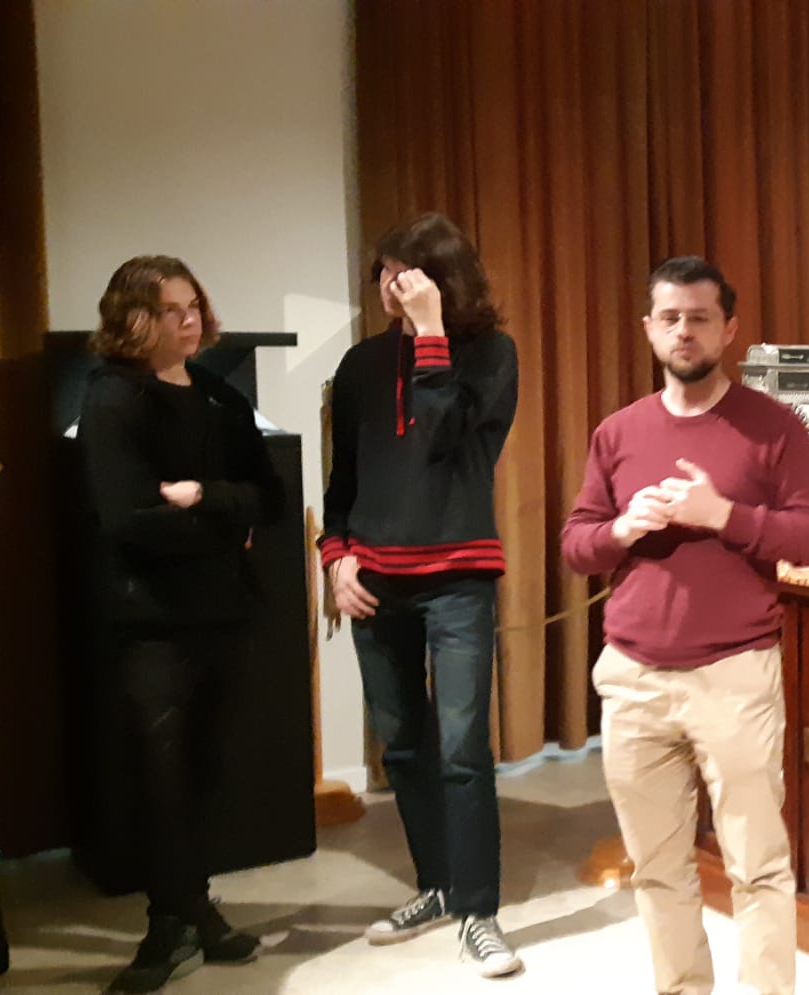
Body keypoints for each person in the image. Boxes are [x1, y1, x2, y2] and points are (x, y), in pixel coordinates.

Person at [561, 257, 809, 995]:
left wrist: (724, 515)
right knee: (656, 867)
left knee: (758, 866)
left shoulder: (775, 428)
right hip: (633, 678)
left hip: (735, 675)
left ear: (729, 329)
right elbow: (576, 544)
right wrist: (621, 528)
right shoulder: (617, 432)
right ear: (649, 329)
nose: (685, 331)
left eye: (701, 317)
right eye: (671, 317)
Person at [318, 213, 522, 977]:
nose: (390, 287)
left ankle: (479, 909)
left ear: (443, 279)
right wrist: (335, 555)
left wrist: (430, 331)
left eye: (407, 273)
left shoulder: (491, 354)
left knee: (463, 750)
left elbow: (444, 435)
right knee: (403, 745)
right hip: (373, 578)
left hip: (459, 578)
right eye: (384, 273)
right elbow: (345, 476)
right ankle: (437, 885)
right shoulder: (360, 364)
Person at [77, 255, 282, 992]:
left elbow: (269, 497)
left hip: (222, 613)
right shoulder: (112, 398)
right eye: (172, 309)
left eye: (194, 304)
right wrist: (225, 522)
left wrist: (206, 498)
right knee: (159, 780)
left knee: (202, 772)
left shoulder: (221, 397)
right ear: (135, 317)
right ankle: (175, 919)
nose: (190, 319)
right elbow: (128, 519)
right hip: (151, 622)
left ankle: (187, 912)